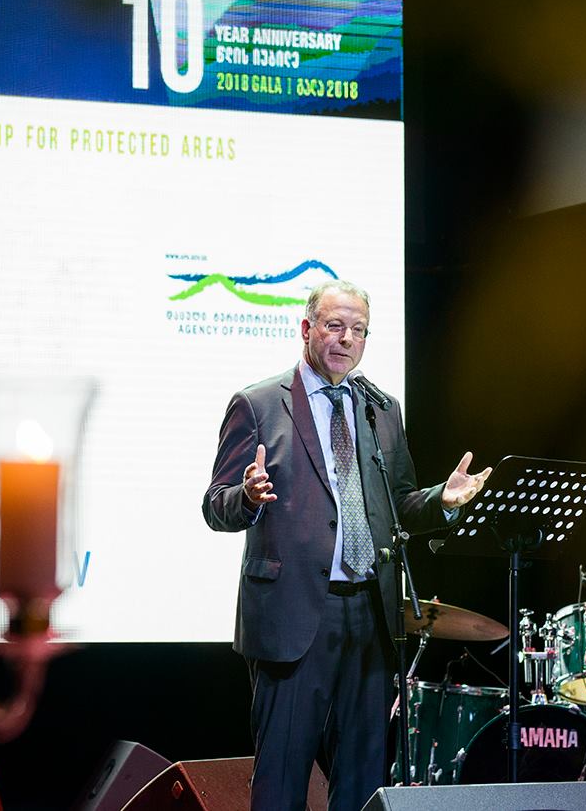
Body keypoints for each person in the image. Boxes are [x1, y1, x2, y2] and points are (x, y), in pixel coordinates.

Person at [202, 280, 490, 811]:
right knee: (282, 779)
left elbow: (399, 504)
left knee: (363, 779)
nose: (347, 339)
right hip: (293, 616)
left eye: (359, 330)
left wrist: (443, 501)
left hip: (371, 613)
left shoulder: (382, 409)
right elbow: (215, 505)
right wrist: (247, 496)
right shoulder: (258, 404)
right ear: (307, 329)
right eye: (335, 326)